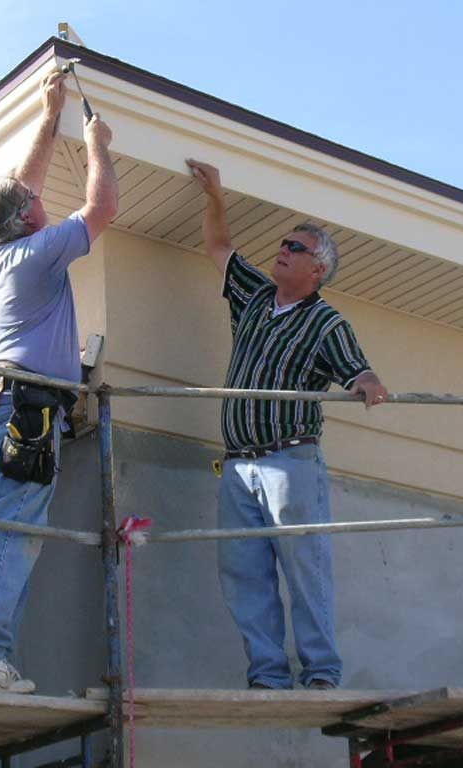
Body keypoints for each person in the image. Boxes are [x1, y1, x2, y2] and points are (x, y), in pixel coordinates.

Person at [0, 70, 118, 694]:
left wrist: (51, 114)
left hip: (3, 402)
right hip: (24, 406)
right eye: (34, 202)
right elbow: (102, 210)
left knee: (11, 527)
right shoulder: (38, 254)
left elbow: (26, 183)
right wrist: (98, 143)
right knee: (12, 530)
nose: (42, 200)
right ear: (26, 219)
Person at [186, 158, 388, 691]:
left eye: (295, 247)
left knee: (305, 569)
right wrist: (215, 197)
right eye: (283, 243)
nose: (283, 250)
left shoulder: (326, 321)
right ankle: (269, 674)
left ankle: (321, 674)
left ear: (318, 269)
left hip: (287, 460)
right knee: (243, 573)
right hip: (237, 466)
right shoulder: (254, 296)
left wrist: (368, 383)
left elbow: (356, 367)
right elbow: (219, 249)